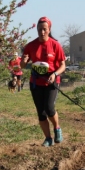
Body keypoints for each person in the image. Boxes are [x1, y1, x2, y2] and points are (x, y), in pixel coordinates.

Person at [20, 16, 66, 147]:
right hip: (36, 82)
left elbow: (63, 65)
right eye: (39, 29)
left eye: (44, 29)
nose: (42, 32)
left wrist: (55, 74)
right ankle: (48, 138)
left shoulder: (55, 45)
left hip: (51, 81)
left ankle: (57, 128)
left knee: (50, 108)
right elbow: (22, 65)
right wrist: (23, 61)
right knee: (41, 113)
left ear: (49, 29)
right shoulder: (31, 46)